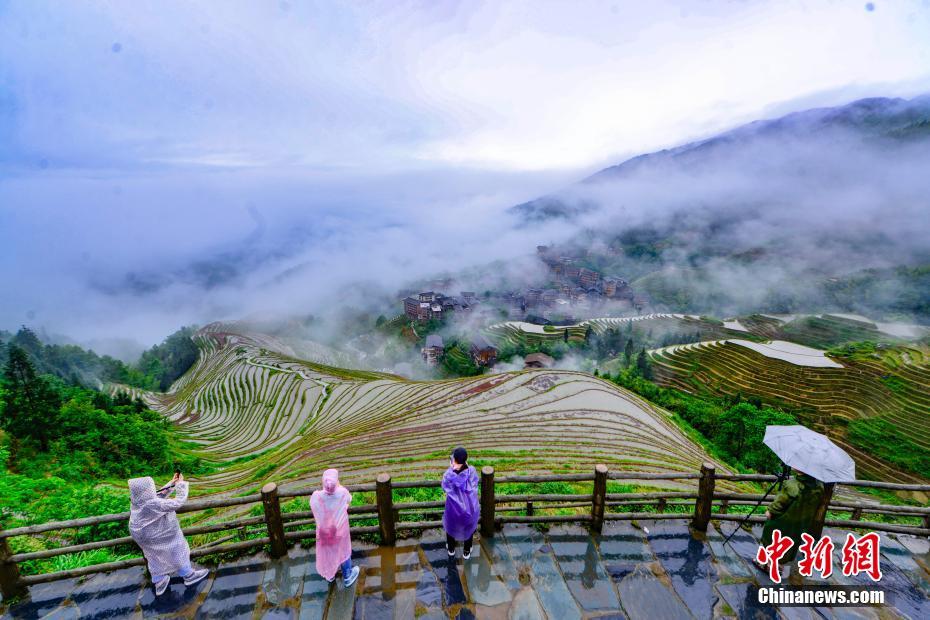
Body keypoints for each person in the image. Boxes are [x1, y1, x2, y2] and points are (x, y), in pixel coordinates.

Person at [128, 473, 209, 596]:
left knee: (153, 556)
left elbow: (157, 496)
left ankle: (159, 581)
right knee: (177, 549)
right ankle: (189, 575)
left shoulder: (137, 501)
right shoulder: (152, 503)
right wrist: (180, 485)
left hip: (141, 535)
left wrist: (172, 483)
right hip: (156, 535)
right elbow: (177, 502)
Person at [756, 467, 825, 576]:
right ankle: (779, 566)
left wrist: (770, 511)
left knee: (772, 540)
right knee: (790, 544)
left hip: (783, 521)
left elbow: (779, 504)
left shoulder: (791, 485)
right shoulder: (819, 487)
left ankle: (767, 564)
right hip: (800, 524)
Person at [310, 469, 360, 587]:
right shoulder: (342, 492)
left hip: (324, 532)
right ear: (336, 481)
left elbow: (313, 505)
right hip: (339, 531)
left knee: (328, 552)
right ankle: (347, 576)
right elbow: (349, 499)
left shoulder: (317, 496)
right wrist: (339, 486)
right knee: (343, 551)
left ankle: (330, 575)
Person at [441, 446, 480, 559]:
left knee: (450, 526)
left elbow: (445, 486)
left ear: (455, 462)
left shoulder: (449, 475)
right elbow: (474, 486)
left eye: (452, 459)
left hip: (453, 508)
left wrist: (451, 469)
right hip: (469, 508)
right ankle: (467, 551)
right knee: (469, 527)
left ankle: (451, 549)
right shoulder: (471, 471)